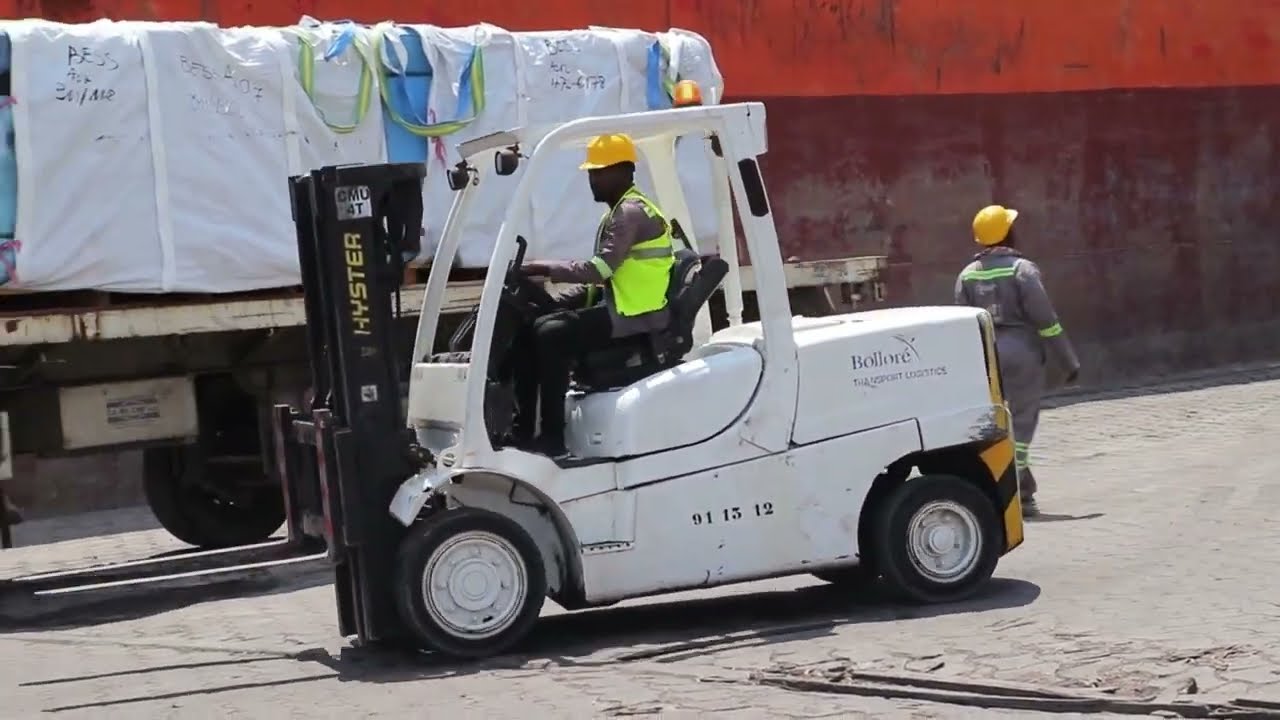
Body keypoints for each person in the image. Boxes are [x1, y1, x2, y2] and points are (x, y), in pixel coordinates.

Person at [513, 133, 676, 457]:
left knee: (551, 335)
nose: (593, 179)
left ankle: (553, 439)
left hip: (638, 316)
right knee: (532, 327)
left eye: (600, 171)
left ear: (625, 170)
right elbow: (604, 279)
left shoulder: (630, 212)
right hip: (623, 307)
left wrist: (543, 268)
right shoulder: (617, 212)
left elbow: (598, 270)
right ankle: (523, 430)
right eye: (591, 172)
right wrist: (558, 302)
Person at [955, 204, 1080, 518]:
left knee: (998, 424)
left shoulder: (967, 276)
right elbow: (1046, 319)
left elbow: (962, 324)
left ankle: (1023, 494)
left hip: (988, 355)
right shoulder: (1022, 269)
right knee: (1021, 427)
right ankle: (1011, 494)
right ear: (1008, 232)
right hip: (1023, 356)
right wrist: (1068, 360)